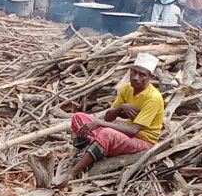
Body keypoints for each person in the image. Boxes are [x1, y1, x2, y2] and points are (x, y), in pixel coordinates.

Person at [53, 53, 164, 188]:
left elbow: (133, 131)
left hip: (143, 141)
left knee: (107, 134)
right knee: (78, 118)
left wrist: (99, 123)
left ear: (150, 77)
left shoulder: (153, 98)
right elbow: (109, 117)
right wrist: (120, 108)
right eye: (134, 72)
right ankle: (91, 151)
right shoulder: (128, 88)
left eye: (142, 75)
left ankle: (72, 172)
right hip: (128, 137)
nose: (136, 78)